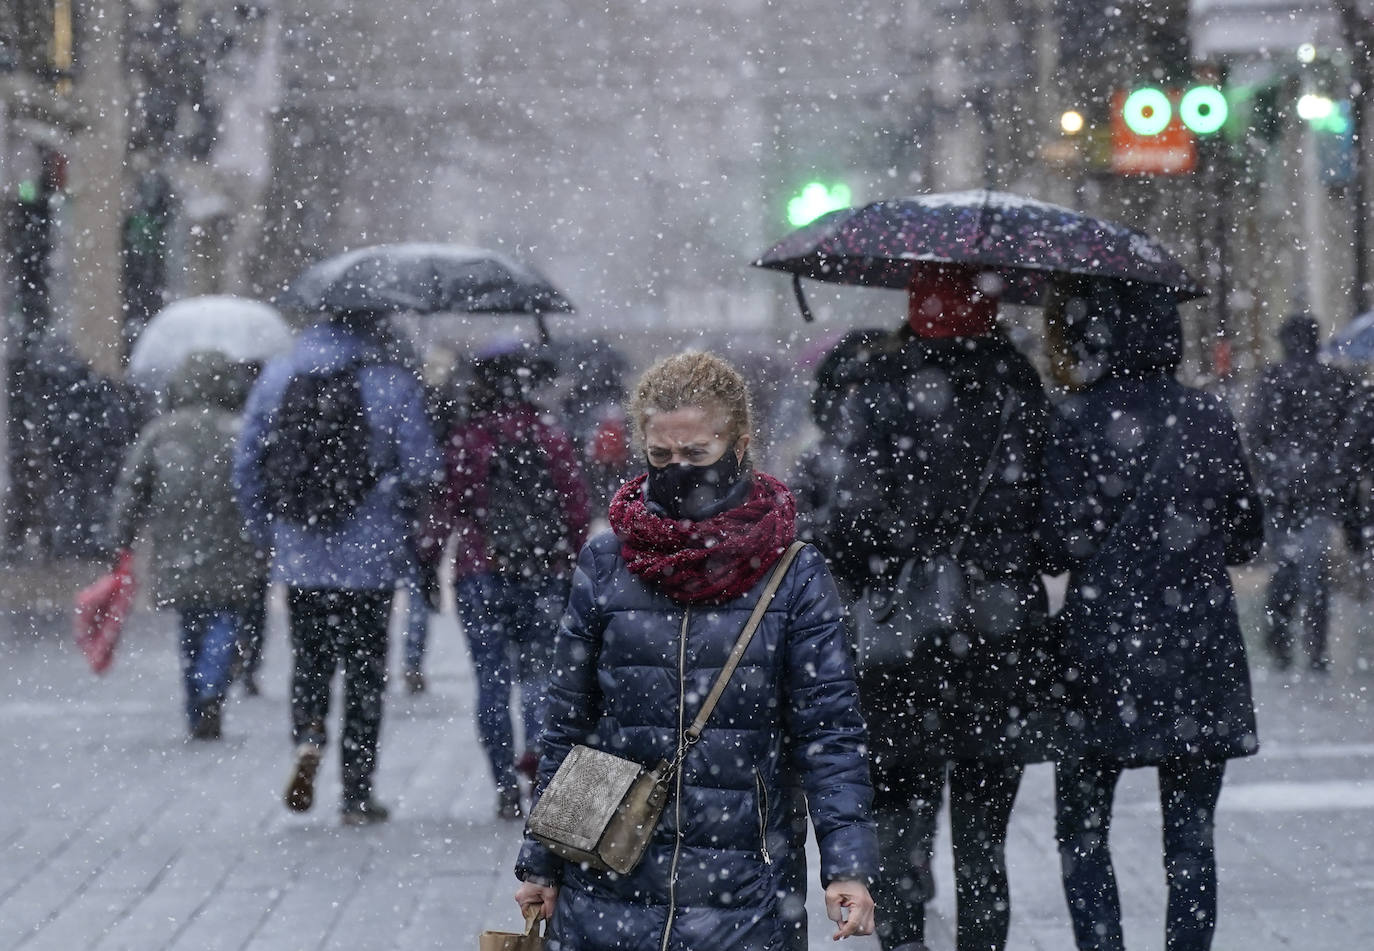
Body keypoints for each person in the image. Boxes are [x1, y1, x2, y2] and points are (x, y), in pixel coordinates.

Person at [512, 351, 877, 950]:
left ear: (739, 445)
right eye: (660, 457)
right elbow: (568, 721)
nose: (677, 470)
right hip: (608, 872)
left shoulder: (793, 572)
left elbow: (829, 730)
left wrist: (847, 865)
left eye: (696, 455)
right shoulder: (607, 562)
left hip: (745, 884)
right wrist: (541, 862)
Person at [813, 268, 1057, 951]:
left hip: (898, 646)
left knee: (898, 828)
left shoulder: (875, 390)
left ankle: (905, 941)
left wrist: (892, 560)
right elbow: (1050, 522)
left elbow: (845, 520)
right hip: (997, 639)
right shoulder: (1019, 390)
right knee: (984, 842)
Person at [1041, 277, 1263, 951]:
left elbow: (1053, 547)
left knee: (1082, 830)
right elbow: (1248, 535)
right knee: (1191, 836)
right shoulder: (1208, 417)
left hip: (1097, 648)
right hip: (1196, 645)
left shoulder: (1073, 419)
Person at [234, 310, 440, 826]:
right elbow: (422, 467)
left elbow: (247, 462)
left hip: (301, 555)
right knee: (366, 673)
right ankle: (356, 793)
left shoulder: (280, 375)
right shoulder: (390, 380)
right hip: (370, 557)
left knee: (309, 659)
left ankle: (307, 736)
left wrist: (267, 531)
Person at [422, 344, 590, 819]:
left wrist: (430, 562)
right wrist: (575, 560)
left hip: (481, 572)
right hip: (544, 570)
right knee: (540, 674)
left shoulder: (469, 439)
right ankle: (537, 764)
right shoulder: (549, 436)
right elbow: (576, 506)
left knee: (491, 682)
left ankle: (502, 786)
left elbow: (446, 508)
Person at [110, 350, 266, 740]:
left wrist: (121, 537)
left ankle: (196, 702)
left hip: (177, 548)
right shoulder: (239, 431)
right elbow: (260, 487)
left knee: (190, 627)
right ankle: (214, 685)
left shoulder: (161, 433)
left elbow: (132, 489)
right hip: (232, 546)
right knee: (225, 619)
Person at [1248, 313, 1359, 673]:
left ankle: (1280, 641)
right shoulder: (1336, 380)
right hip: (1319, 491)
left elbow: (1255, 434)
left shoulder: (1271, 379)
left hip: (1281, 491)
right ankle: (1316, 648)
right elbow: (1349, 439)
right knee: (1316, 571)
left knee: (1284, 567)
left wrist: (1268, 473)